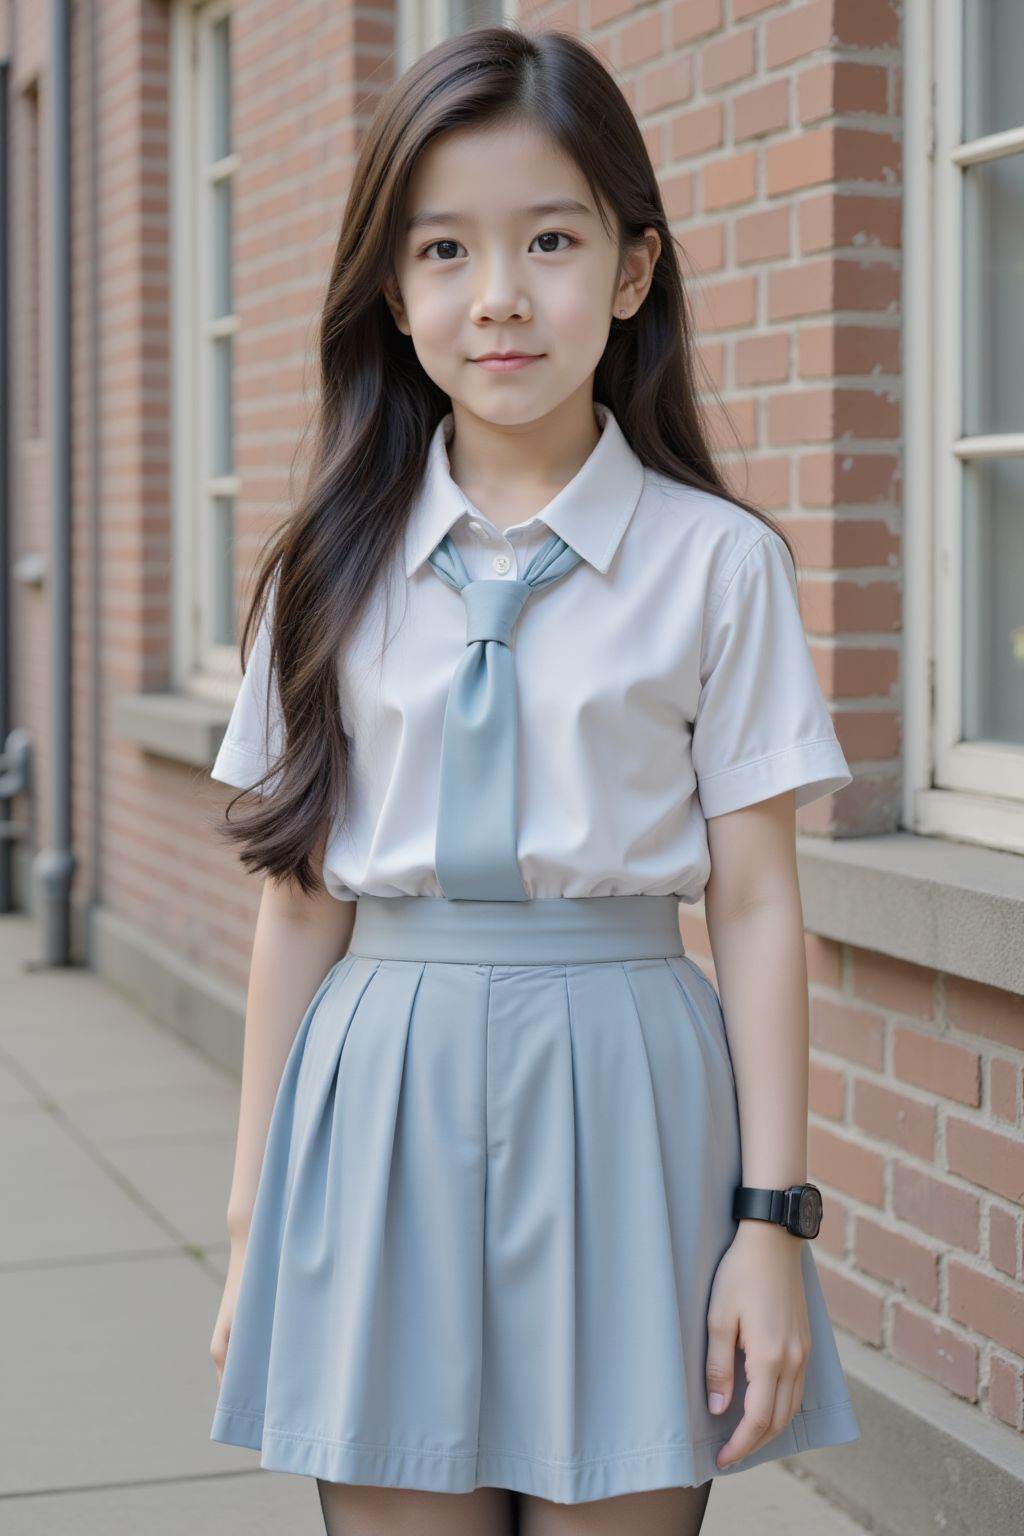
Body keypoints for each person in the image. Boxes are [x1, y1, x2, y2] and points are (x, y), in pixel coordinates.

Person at [206, 23, 860, 1536]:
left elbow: (759, 910)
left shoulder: (718, 566)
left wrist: (772, 1223)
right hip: (377, 1103)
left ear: (633, 270)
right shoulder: (326, 569)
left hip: (629, 1091)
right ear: (393, 285)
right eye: (445, 248)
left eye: (551, 239)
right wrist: (252, 1217)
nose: (499, 294)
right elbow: (297, 908)